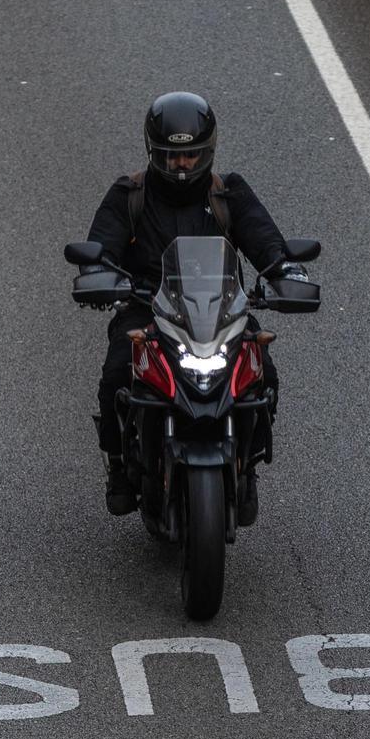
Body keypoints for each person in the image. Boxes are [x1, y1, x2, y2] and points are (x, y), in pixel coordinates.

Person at [82, 91, 306, 515]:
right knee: (116, 372)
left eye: (189, 156)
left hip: (222, 310)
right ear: (154, 151)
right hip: (148, 307)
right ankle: (117, 464)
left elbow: (265, 242)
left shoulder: (228, 194)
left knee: (265, 375)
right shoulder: (129, 194)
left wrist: (285, 272)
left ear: (208, 151)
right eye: (170, 157)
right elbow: (101, 246)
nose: (180, 166)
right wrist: (98, 275)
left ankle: (248, 465)